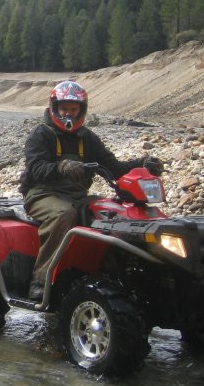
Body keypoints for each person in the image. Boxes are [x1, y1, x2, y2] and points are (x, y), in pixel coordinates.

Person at [18, 80, 163, 301]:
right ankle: (40, 281)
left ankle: (110, 275)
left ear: (81, 110)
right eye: (64, 108)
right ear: (54, 108)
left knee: (111, 213)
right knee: (63, 215)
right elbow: (36, 169)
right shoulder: (41, 134)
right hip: (42, 195)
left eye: (73, 109)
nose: (69, 113)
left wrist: (142, 164)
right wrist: (62, 167)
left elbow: (113, 167)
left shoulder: (88, 138)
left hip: (77, 196)